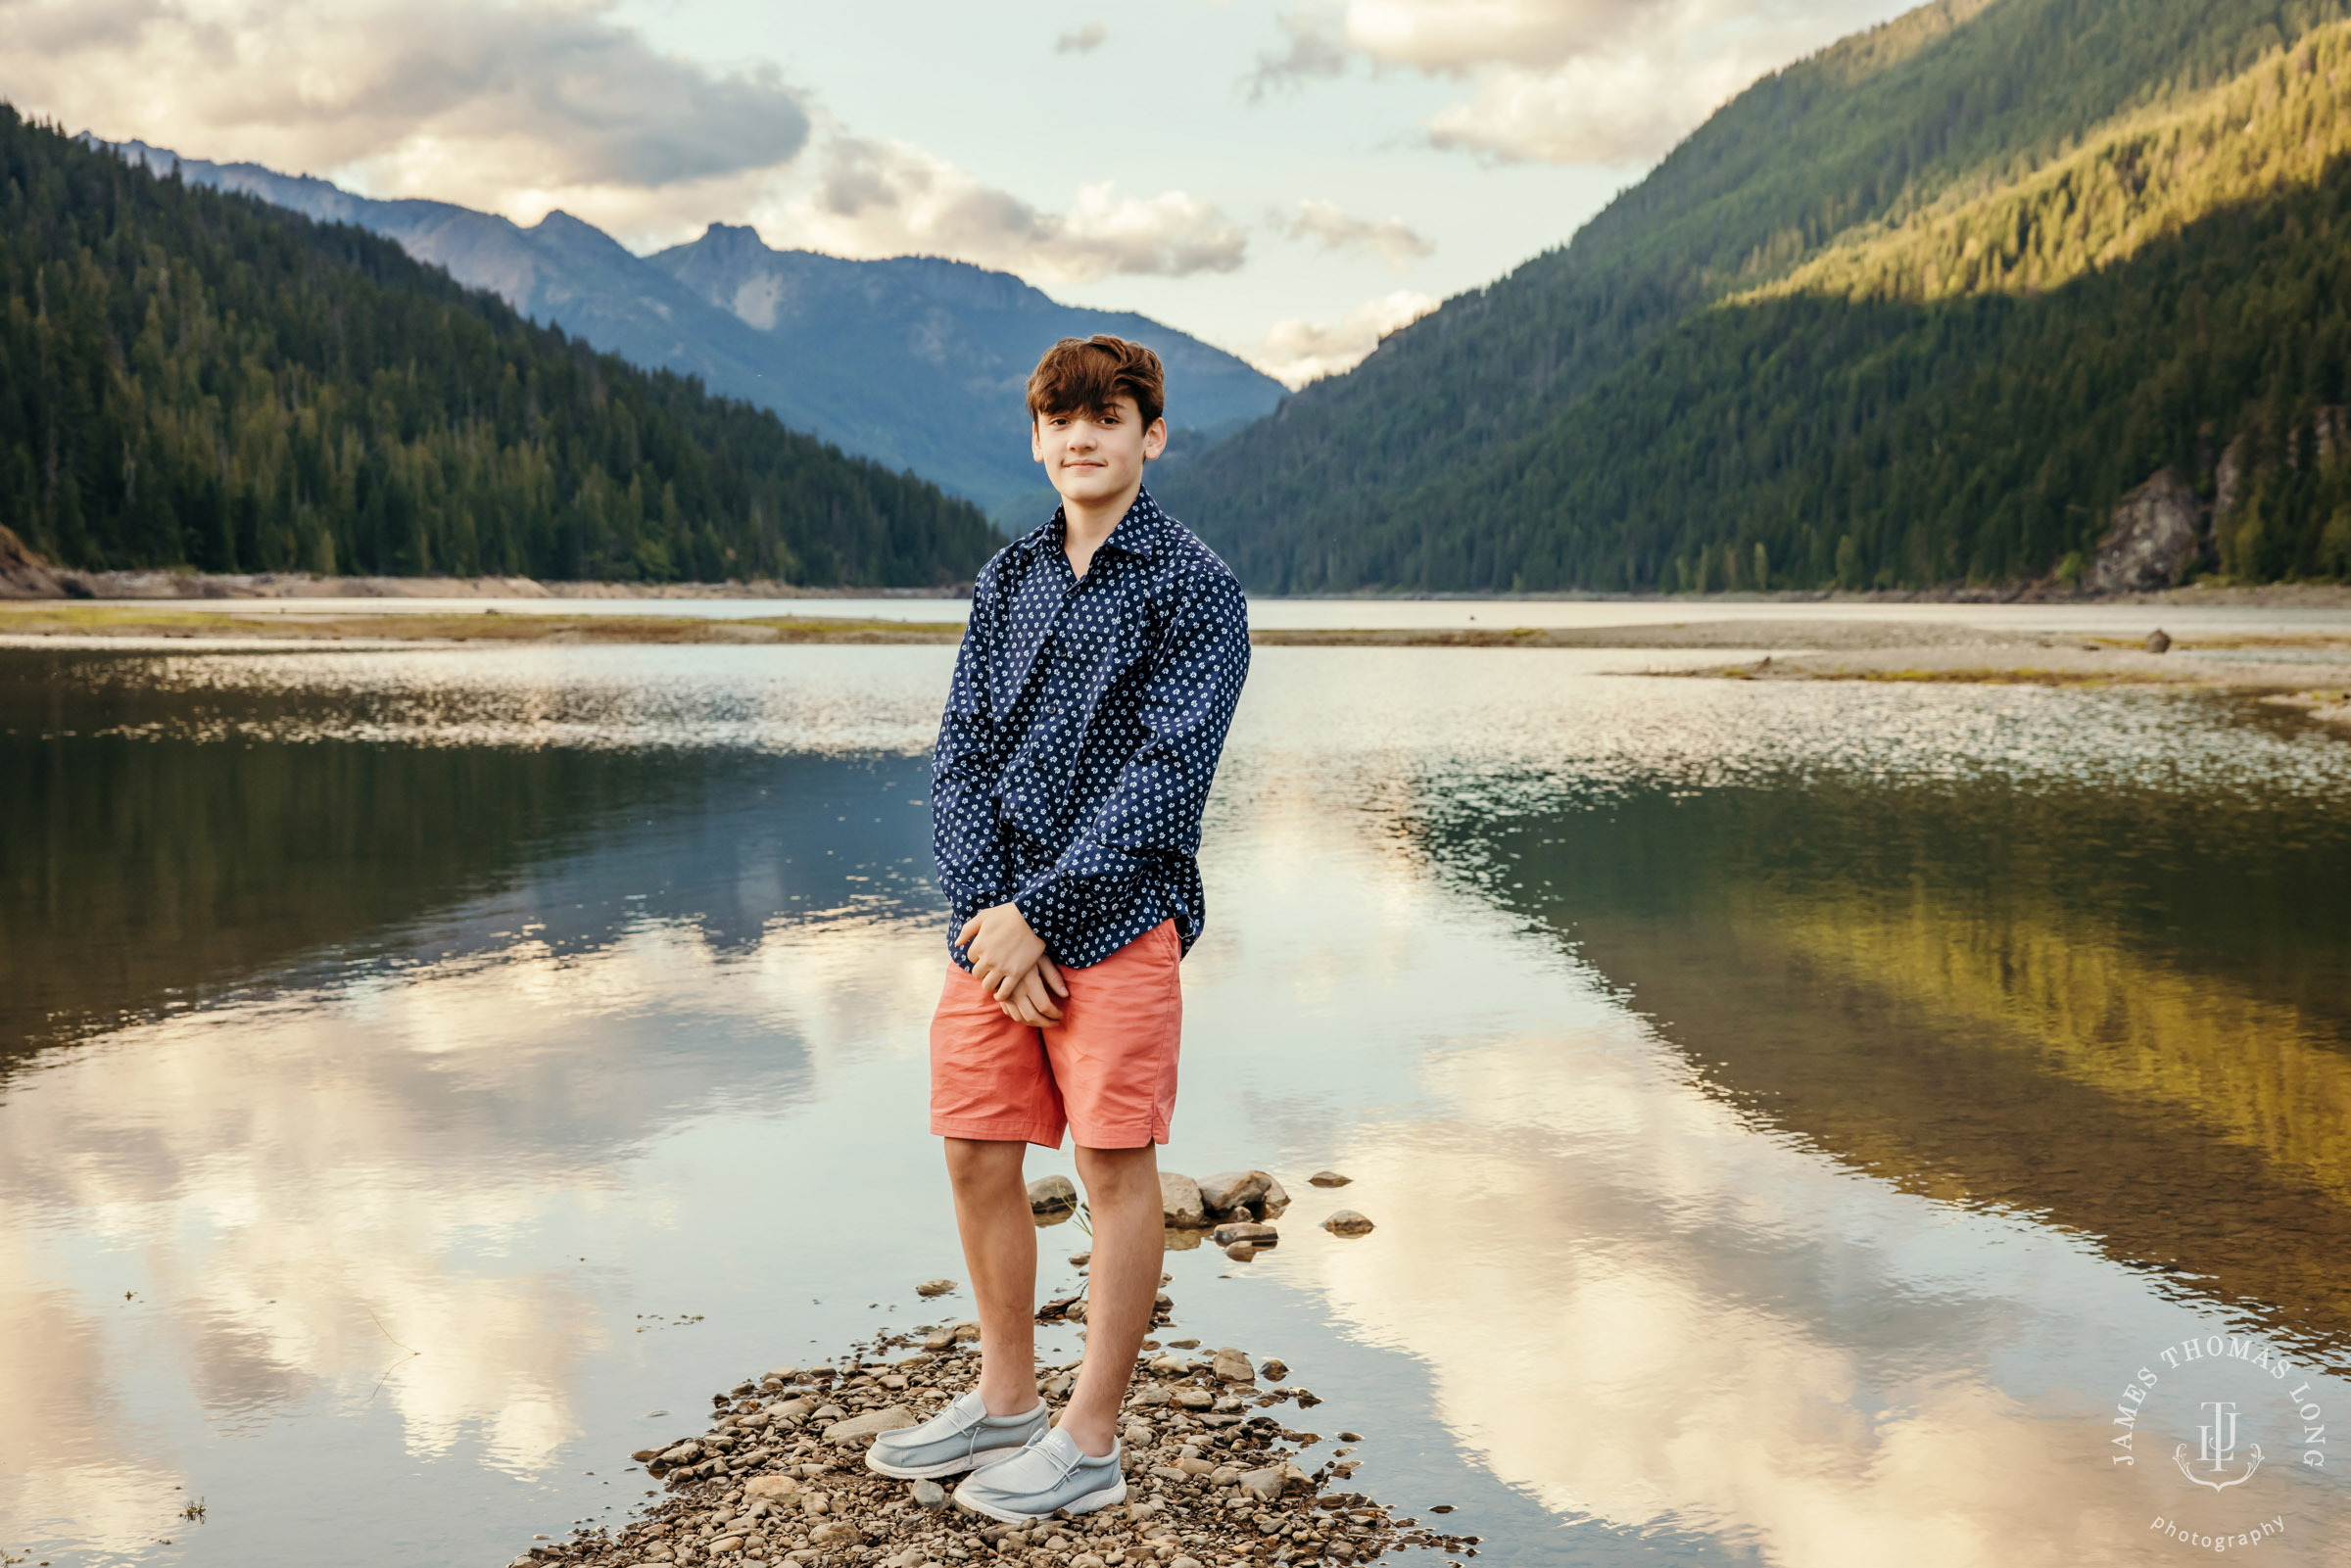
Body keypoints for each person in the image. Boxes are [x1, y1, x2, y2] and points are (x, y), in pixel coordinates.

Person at [864, 335, 1250, 1522]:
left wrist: (1043, 915)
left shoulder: (1197, 586)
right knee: (978, 1149)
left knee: (1113, 1168)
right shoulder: (1006, 577)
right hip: (994, 934)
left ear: (1152, 435)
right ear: (1036, 438)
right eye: (1060, 419)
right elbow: (962, 754)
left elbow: (1164, 776)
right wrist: (989, 918)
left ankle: (1088, 1440)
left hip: (1118, 921)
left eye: (1108, 416)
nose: (1081, 435)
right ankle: (1006, 1401)